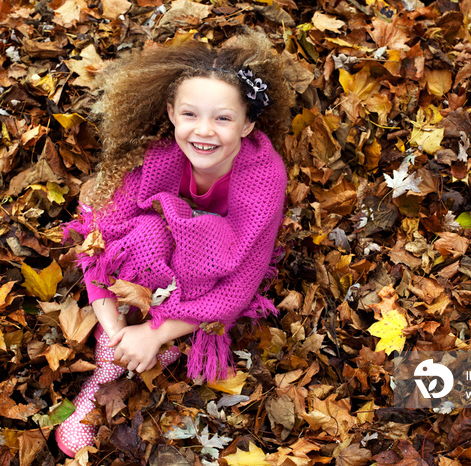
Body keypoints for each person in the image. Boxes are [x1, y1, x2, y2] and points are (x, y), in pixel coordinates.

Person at [57, 30, 295, 457]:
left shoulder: (263, 174)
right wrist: (114, 330)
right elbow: (99, 237)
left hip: (212, 267)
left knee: (203, 237)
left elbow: (242, 283)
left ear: (248, 124)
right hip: (155, 253)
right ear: (171, 112)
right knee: (143, 234)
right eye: (190, 114)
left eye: (223, 118)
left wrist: (155, 332)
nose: (204, 131)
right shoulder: (158, 153)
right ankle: (107, 369)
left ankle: (167, 341)